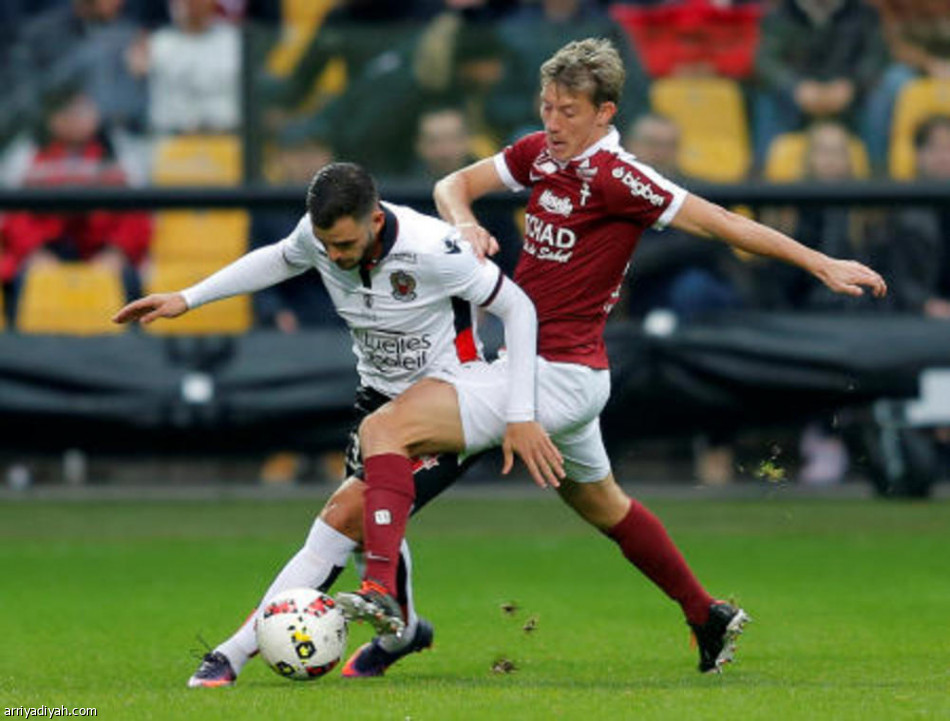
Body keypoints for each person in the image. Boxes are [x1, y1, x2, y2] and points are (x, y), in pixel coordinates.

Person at [336, 38, 887, 674]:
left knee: (387, 428)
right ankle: (706, 615)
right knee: (604, 506)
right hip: (554, 372)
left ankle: (380, 592)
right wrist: (463, 221)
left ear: (605, 112)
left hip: (555, 376)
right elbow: (452, 183)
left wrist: (821, 262)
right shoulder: (541, 154)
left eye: (569, 110)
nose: (553, 122)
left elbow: (722, 223)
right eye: (547, 107)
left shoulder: (622, 177)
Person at [112, 161, 552, 686]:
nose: (335, 257)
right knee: (368, 521)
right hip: (378, 402)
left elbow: (519, 309)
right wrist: (188, 298)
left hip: (450, 400)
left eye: (344, 245)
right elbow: (277, 259)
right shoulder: (319, 238)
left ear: (375, 220)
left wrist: (520, 414)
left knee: (343, 514)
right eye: (327, 246)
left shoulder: (435, 248)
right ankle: (402, 633)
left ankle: (230, 655)